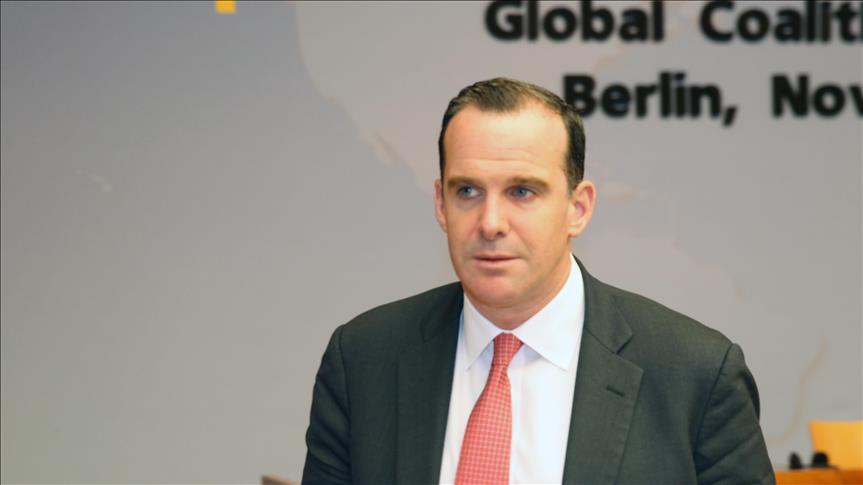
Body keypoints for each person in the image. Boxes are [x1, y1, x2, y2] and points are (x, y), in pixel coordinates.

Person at [301, 78, 774, 485]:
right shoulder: (363, 361)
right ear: (441, 206)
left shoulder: (695, 374)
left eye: (521, 191)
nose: (491, 223)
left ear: (578, 208)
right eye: (468, 191)